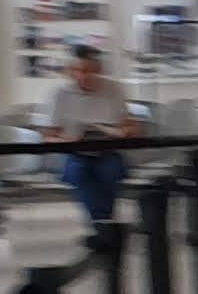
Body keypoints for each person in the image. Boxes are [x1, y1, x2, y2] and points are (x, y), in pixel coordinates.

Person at [39, 45, 140, 222]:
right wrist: (65, 141)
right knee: (80, 172)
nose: (85, 76)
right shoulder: (60, 94)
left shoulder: (114, 89)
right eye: (79, 70)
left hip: (108, 152)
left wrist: (126, 131)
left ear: (99, 70)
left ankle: (102, 225)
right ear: (71, 71)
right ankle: (104, 223)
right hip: (74, 154)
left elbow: (129, 126)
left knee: (110, 171)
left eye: (90, 70)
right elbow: (47, 137)